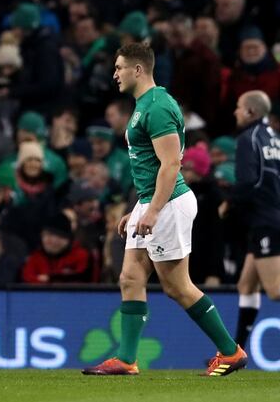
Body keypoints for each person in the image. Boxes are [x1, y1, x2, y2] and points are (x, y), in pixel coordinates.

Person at [82, 42, 247, 377]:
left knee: (176, 286)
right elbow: (152, 166)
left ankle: (231, 351)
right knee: (130, 277)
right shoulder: (146, 104)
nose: (115, 74)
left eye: (119, 67)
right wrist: (140, 207)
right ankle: (127, 359)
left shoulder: (156, 106)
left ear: (138, 69)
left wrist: (153, 210)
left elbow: (171, 163)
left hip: (169, 202)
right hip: (153, 200)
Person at [226, 90, 280, 347]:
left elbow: (248, 182)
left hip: (265, 220)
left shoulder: (247, 139)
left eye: (239, 107)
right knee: (246, 285)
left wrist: (230, 205)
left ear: (251, 111)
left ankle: (235, 353)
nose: (235, 112)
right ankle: (236, 352)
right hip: (276, 218)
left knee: (274, 290)